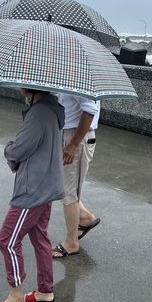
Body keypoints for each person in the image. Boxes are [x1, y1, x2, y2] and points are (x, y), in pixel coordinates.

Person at [0, 89, 65, 302]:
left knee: (7, 240)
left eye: (21, 87)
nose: (19, 90)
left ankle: (15, 296)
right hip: (47, 186)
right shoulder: (53, 109)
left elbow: (20, 148)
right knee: (40, 236)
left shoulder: (38, 114)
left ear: (29, 88)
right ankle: (45, 290)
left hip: (32, 190)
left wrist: (8, 149)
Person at [52, 94, 101, 258]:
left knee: (69, 193)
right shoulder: (72, 76)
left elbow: (90, 110)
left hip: (77, 137)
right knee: (63, 187)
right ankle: (86, 217)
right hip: (68, 133)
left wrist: (73, 144)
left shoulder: (82, 80)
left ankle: (71, 243)